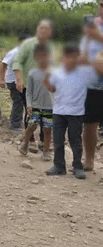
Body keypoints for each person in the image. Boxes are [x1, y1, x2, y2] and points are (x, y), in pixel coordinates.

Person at [44, 44, 103, 179]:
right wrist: (46, 78)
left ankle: (77, 166)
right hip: (58, 111)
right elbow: (51, 88)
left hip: (76, 112)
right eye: (66, 57)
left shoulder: (84, 74)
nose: (69, 60)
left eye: (73, 57)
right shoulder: (57, 72)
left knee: (75, 140)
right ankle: (59, 166)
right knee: (58, 140)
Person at [13, 20, 55, 152]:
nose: (43, 31)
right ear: (37, 29)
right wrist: (19, 79)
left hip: (46, 89)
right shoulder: (28, 44)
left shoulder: (51, 47)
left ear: (50, 32)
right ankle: (30, 140)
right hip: (28, 85)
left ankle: (43, 141)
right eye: (41, 28)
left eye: (46, 29)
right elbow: (18, 61)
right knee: (30, 113)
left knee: (46, 116)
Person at [18, 44, 53, 161]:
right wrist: (29, 104)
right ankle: (25, 142)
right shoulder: (32, 73)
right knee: (32, 125)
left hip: (50, 106)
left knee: (47, 129)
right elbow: (29, 91)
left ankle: (46, 151)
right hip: (35, 105)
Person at [80, 0, 103, 171]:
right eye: (102, 4)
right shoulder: (91, 26)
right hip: (92, 84)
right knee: (90, 124)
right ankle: (89, 159)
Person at [0, 34, 27, 131]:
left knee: (24, 102)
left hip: (22, 81)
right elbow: (3, 64)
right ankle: (15, 125)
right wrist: (2, 79)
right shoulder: (14, 52)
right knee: (18, 101)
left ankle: (16, 121)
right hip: (12, 81)